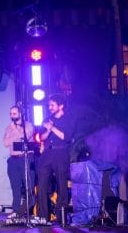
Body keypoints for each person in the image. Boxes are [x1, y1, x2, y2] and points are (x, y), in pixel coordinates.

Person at [37, 94, 76, 223]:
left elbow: (66, 137)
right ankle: (43, 217)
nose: (50, 107)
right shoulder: (47, 119)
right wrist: (48, 130)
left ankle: (61, 217)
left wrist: (52, 128)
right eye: (49, 105)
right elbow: (41, 137)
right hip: (47, 153)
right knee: (42, 184)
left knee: (61, 184)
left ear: (61, 105)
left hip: (61, 152)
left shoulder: (69, 119)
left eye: (52, 105)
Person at [2, 105, 35, 218]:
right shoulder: (9, 127)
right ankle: (15, 211)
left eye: (14, 113)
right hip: (13, 160)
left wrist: (15, 131)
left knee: (29, 189)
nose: (12, 116)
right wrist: (14, 133)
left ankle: (19, 212)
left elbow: (25, 137)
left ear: (20, 114)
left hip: (25, 158)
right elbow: (5, 143)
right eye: (10, 114)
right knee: (15, 188)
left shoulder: (28, 125)